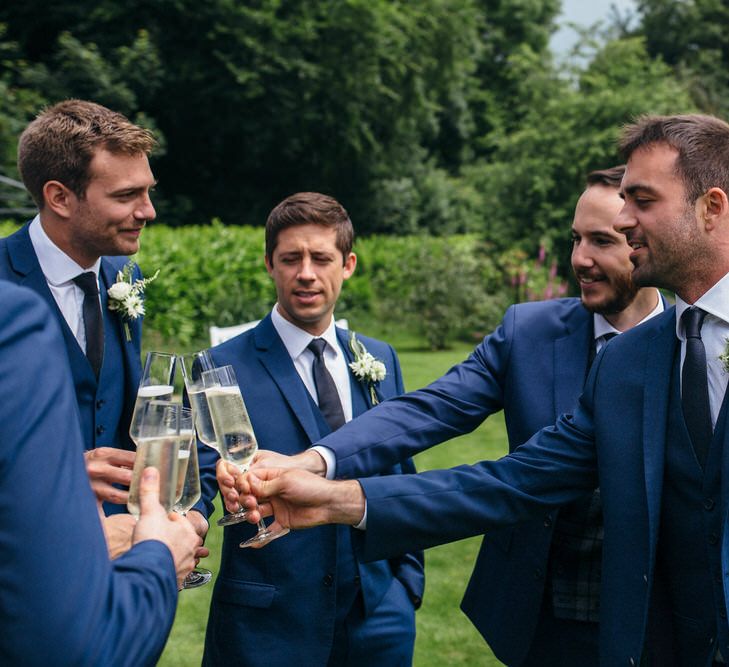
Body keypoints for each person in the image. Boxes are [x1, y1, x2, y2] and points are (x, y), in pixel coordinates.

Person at [240, 113, 729, 666]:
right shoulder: (605, 355)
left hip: (661, 614)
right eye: (577, 238)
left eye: (632, 211)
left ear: (711, 207)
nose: (584, 256)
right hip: (547, 612)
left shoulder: (663, 344)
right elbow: (496, 466)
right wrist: (330, 482)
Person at [199, 192, 424, 666]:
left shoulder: (379, 357)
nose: (306, 272)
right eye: (290, 258)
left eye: (321, 258)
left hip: (378, 617)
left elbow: (403, 470)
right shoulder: (220, 366)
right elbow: (197, 485)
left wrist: (406, 586)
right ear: (269, 264)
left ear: (348, 265)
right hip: (268, 625)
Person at [0, 99, 208, 553]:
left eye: (147, 191)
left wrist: (184, 511)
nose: (148, 211)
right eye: (125, 196)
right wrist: (59, 476)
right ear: (59, 197)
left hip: (125, 558)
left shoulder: (123, 278)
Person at [0, 279, 200, 666]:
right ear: (60, 210)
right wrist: (159, 555)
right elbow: (81, 648)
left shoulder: (120, 273)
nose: (147, 213)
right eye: (127, 209)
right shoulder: (13, 313)